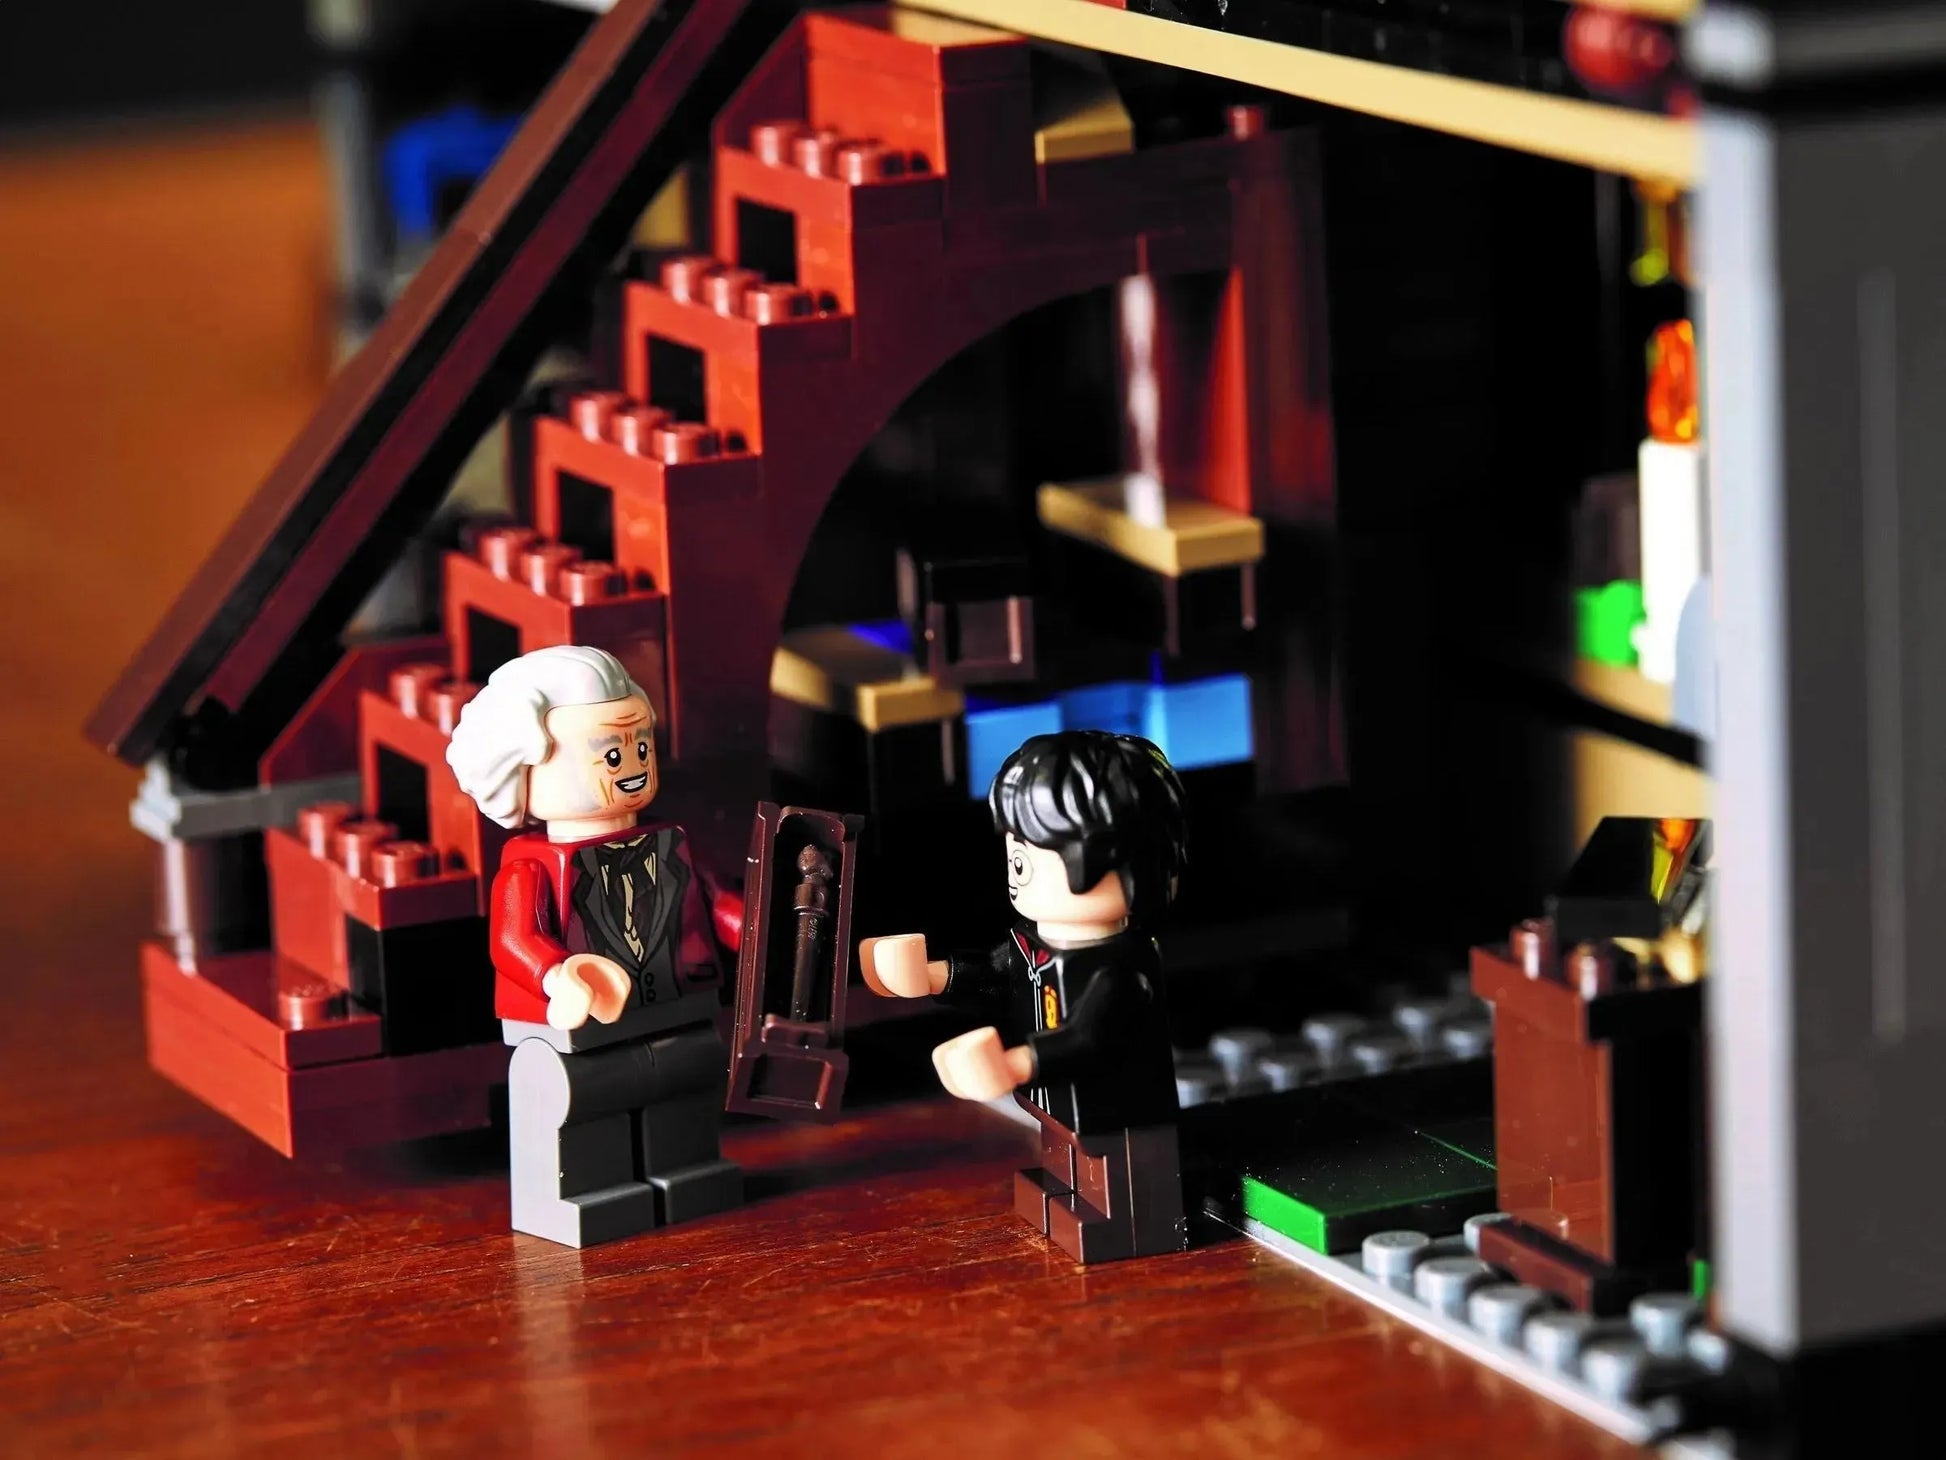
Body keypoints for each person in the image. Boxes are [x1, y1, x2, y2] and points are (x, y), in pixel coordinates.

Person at [447, 645, 742, 1247]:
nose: (631, 766)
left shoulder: (668, 842)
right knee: (582, 1097)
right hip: (579, 1023)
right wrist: (557, 975)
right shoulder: (531, 866)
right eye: (610, 753)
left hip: (674, 1004)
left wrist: (761, 927)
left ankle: (686, 1169)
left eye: (640, 747)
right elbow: (513, 940)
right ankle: (585, 1192)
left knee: (684, 1078)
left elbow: (715, 903)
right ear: (524, 769)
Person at [861, 730, 1190, 1263]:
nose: (1019, 873)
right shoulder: (1033, 945)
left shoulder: (1121, 970)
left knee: (1117, 1164)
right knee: (1064, 1148)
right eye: (1016, 856)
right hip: (1057, 1098)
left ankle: (1127, 1222)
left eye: (1034, 857)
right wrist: (930, 976)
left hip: (1120, 1112)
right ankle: (1070, 1197)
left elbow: (1092, 1040)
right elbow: (998, 976)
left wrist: (1015, 1064)